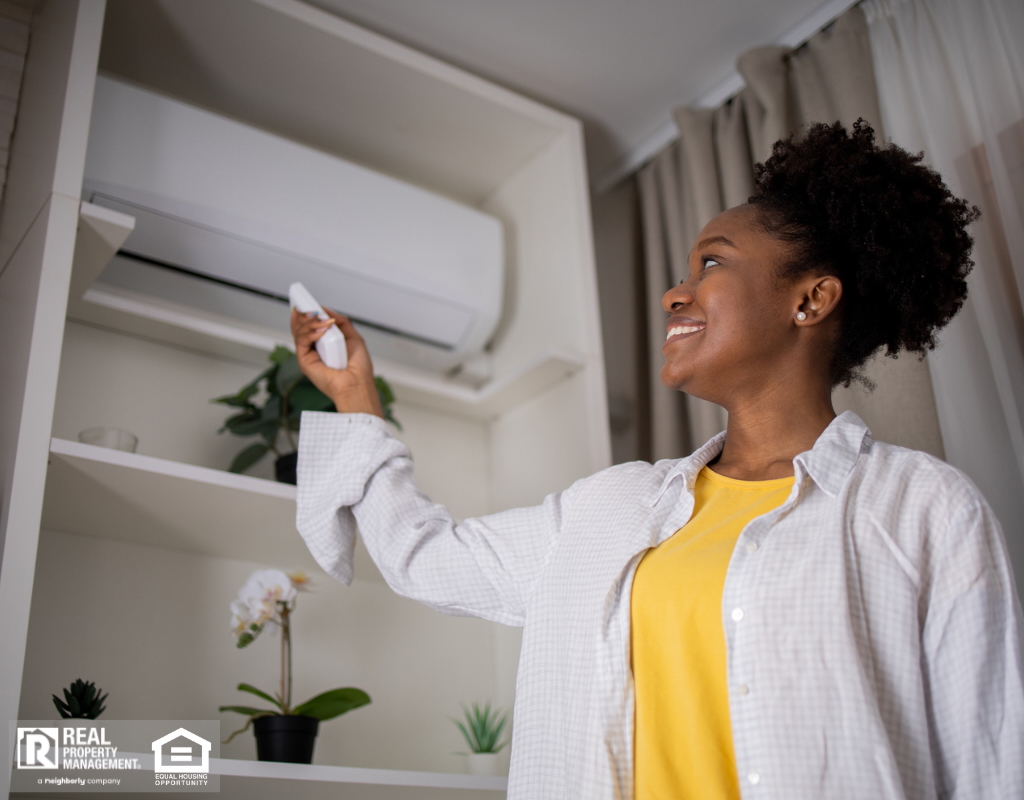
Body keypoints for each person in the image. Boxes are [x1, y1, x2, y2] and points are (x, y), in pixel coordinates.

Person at [291, 121, 1024, 800]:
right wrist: (357, 397)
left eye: (711, 263)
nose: (677, 292)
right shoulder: (609, 509)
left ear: (811, 299)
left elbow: (992, 764)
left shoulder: (923, 508)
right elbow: (423, 556)